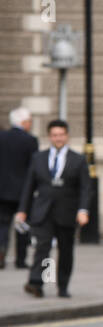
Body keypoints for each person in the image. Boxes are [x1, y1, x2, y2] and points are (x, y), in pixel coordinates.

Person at [14, 119, 92, 298]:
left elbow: (85, 188)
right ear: (50, 137)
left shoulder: (78, 160)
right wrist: (22, 209)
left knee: (65, 251)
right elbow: (29, 185)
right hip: (43, 211)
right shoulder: (38, 158)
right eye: (55, 135)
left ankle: (62, 286)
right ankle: (36, 282)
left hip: (67, 212)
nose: (58, 138)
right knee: (42, 247)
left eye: (61, 135)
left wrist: (83, 210)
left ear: (67, 136)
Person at [0, 107, 38, 269]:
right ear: (23, 122)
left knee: (2, 225)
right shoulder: (30, 140)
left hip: (2, 190)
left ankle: (1, 252)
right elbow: (34, 167)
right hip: (23, 191)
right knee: (22, 226)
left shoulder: (2, 137)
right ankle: (20, 259)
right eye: (29, 121)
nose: (30, 124)